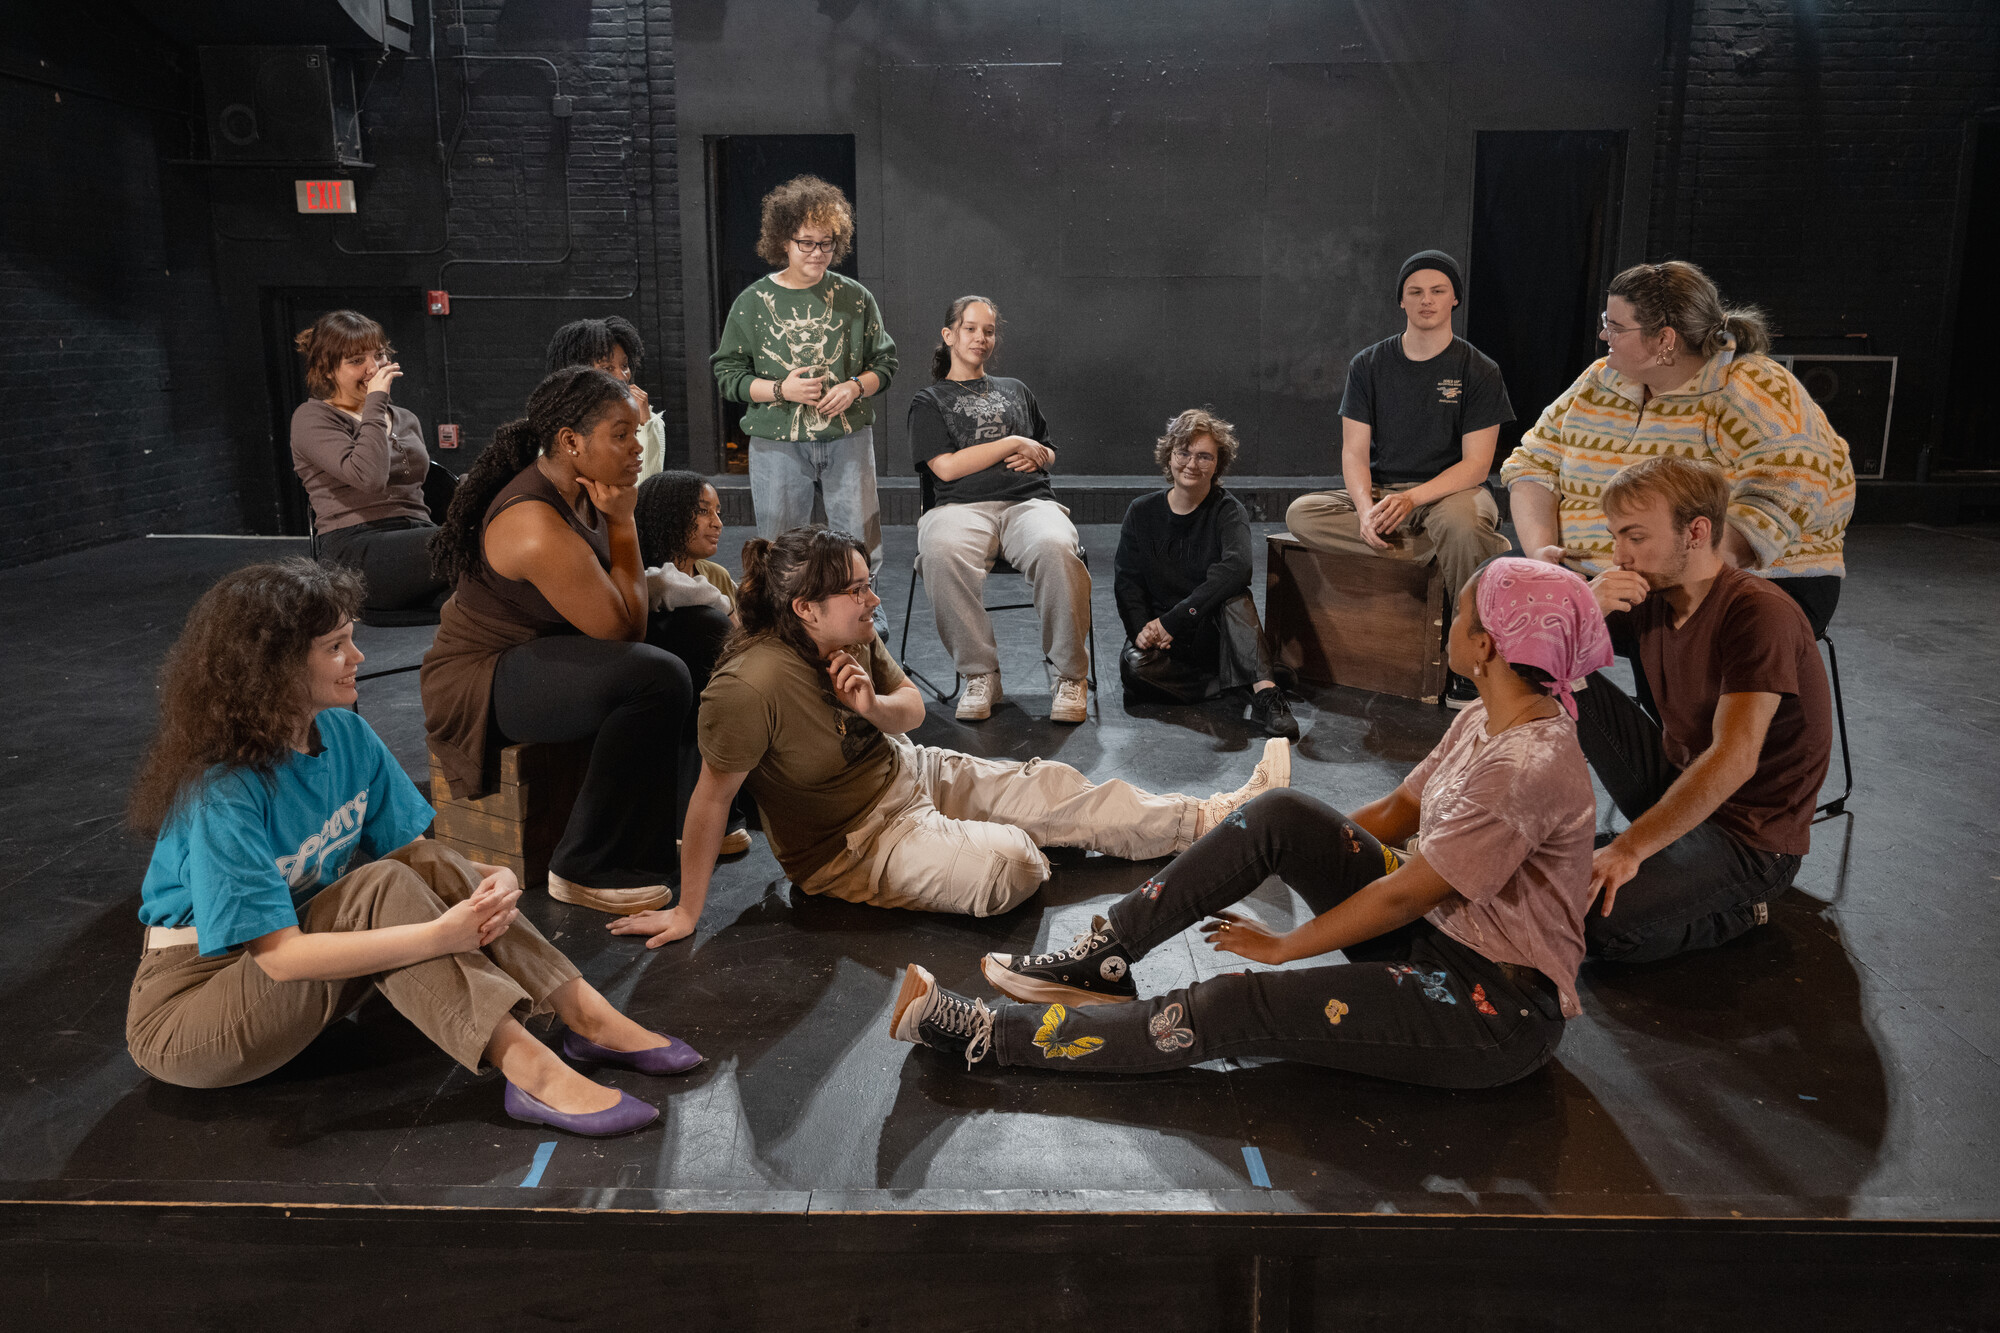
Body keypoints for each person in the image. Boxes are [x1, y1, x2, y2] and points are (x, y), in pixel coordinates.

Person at [886, 556, 1610, 1089]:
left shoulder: (1525, 767)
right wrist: (1277, 848)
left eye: (1462, 613)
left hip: (1489, 1006)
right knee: (1280, 812)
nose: (1451, 621)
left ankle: (992, 1035)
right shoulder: (1488, 716)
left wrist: (1285, 947)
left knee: (1232, 1003)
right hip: (1439, 931)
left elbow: (1404, 893)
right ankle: (1103, 957)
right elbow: (1397, 813)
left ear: (1487, 646)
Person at [126, 559, 696, 1138]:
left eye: (351, 639)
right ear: (272, 667)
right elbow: (280, 958)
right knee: (381, 884)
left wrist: (491, 877)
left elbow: (422, 861)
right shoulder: (223, 789)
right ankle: (532, 1072)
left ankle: (586, 1016)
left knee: (420, 862)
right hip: (195, 1009)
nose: (358, 657)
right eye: (335, 647)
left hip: (288, 978)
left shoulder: (344, 732)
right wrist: (439, 937)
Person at [605, 526, 1293, 948]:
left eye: (869, 584)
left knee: (1056, 787)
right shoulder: (748, 685)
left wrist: (870, 704)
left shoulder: (852, 633)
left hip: (908, 770)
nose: (873, 600)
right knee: (1013, 865)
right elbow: (710, 799)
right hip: (852, 847)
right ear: (805, 607)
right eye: (856, 590)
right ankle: (1014, 837)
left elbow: (908, 710)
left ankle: (1215, 817)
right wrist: (688, 910)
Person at [422, 368, 734, 916]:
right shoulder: (534, 522)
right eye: (621, 435)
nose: (637, 448)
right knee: (654, 675)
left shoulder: (590, 489)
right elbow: (624, 631)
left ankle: (686, 813)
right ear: (571, 442)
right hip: (483, 679)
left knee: (702, 630)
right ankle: (586, 865)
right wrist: (623, 523)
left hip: (550, 645)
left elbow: (622, 608)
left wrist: (617, 517)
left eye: (635, 433)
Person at [1503, 259, 1855, 638]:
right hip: (1602, 574)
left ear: (1664, 340)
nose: (1604, 335)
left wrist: (1658, 578)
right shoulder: (1600, 380)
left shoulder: (1750, 385)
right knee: (1497, 588)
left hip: (1740, 582)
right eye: (1607, 321)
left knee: (1575, 619)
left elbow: (1790, 485)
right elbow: (1533, 464)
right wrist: (1542, 555)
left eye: (1616, 327)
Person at [1572, 456, 1832, 963]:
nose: (1619, 556)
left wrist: (1628, 848)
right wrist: (1584, 605)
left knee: (1594, 924)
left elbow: (1735, 759)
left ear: (1696, 532)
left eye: (1635, 537)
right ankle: (1653, 850)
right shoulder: (1652, 594)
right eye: (1615, 536)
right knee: (1560, 674)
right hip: (1680, 784)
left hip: (1751, 838)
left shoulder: (1758, 612)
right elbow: (1522, 653)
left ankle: (1742, 909)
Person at [1285, 250, 1515, 707]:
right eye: (1416, 292)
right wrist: (1366, 510)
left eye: (1437, 291)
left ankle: (1475, 658)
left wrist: (1413, 499)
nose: (1426, 300)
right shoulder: (1368, 364)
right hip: (1387, 494)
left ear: (1454, 299)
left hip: (1452, 492)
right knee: (1302, 515)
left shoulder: (1478, 369)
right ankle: (1463, 552)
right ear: (1402, 301)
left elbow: (1476, 465)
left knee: (1461, 523)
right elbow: (1354, 452)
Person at [709, 175, 897, 635]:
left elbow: (885, 363)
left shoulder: (855, 298)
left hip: (847, 436)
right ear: (783, 241)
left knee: (860, 536)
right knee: (781, 543)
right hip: (777, 441)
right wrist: (781, 390)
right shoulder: (753, 302)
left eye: (826, 243)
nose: (817, 253)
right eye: (806, 243)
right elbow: (728, 375)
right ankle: (783, 624)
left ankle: (866, 611)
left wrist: (854, 387)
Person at [908, 295, 1091, 724]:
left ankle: (1069, 676)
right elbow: (946, 468)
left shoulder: (1016, 390)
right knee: (939, 552)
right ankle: (981, 675)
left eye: (988, 331)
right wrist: (1012, 443)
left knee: (1056, 547)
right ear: (949, 335)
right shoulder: (929, 400)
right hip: (959, 508)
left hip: (1029, 503)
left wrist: (1039, 456)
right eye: (970, 329)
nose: (981, 338)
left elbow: (1047, 450)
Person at [1116, 408, 1298, 740]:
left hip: (1211, 632)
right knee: (1135, 667)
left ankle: (1266, 692)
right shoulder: (1141, 511)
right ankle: (1233, 683)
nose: (1192, 463)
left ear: (1217, 464)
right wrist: (1142, 630)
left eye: (1204, 456)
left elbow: (1237, 569)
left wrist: (1174, 621)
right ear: (1169, 456)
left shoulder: (1228, 511)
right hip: (1165, 642)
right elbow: (1128, 580)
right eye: (1184, 453)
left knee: (1235, 596)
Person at [291, 310, 451, 614]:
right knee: (474, 543)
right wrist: (375, 402)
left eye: (378, 355)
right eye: (356, 361)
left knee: (499, 584)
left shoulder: (405, 418)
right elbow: (370, 478)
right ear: (327, 370)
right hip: (356, 551)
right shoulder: (312, 417)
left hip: (421, 541)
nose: (373, 368)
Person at [634, 469, 754, 858]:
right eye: (703, 511)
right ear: (669, 515)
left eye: (718, 512)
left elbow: (744, 639)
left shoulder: (714, 574)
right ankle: (693, 815)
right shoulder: (642, 578)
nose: (717, 523)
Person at [547, 316, 668, 482]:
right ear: (577, 372)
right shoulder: (550, 425)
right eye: (607, 368)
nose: (622, 376)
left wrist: (644, 426)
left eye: (624, 366)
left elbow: (644, 490)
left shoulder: (649, 421)